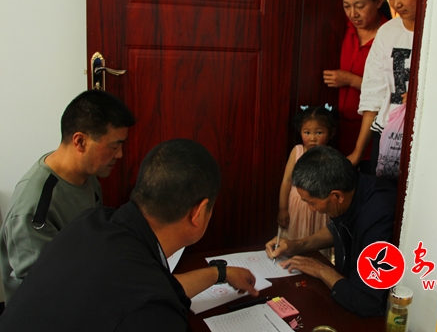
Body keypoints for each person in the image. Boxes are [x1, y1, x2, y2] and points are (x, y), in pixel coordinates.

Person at [0, 139, 258, 331]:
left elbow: (152, 287)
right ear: (198, 213)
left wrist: (219, 273)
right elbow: (150, 297)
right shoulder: (153, 310)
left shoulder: (91, 222)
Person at [0, 89, 136, 302]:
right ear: (80, 142)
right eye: (113, 146)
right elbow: (40, 291)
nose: (119, 154)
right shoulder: (34, 207)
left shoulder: (88, 174)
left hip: (84, 281)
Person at [266, 145, 397, 317]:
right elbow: (337, 228)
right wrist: (296, 245)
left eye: (312, 203)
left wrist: (321, 270)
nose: (311, 209)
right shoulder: (352, 187)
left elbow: (365, 301)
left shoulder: (377, 216)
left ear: (337, 196)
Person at [347, 0, 420, 176]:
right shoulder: (388, 32)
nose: (396, 3)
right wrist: (358, 152)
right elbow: (374, 93)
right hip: (387, 133)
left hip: (421, 136)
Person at [323, 0, 391, 172]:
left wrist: (351, 80)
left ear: (378, 1)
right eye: (347, 6)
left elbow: (391, 91)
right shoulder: (342, 28)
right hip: (337, 129)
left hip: (371, 130)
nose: (353, 14)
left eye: (360, 6)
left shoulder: (390, 36)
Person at [277, 105, 338, 240]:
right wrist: (282, 209)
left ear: (331, 133)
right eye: (307, 132)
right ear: (300, 132)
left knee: (316, 241)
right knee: (295, 240)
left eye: (319, 133)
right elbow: (287, 181)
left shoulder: (331, 155)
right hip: (297, 208)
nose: (312, 138)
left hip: (320, 210)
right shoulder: (297, 151)